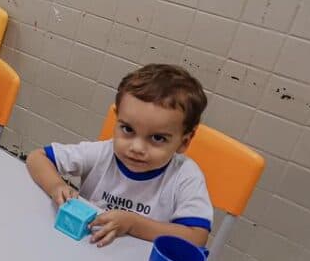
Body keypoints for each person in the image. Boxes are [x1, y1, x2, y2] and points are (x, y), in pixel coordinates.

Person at [26, 64, 214, 248]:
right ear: (117, 119)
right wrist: (56, 186)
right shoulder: (103, 153)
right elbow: (37, 157)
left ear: (184, 142)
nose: (137, 147)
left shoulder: (185, 175)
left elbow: (197, 237)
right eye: (128, 129)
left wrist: (134, 224)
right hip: (85, 247)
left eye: (157, 138)